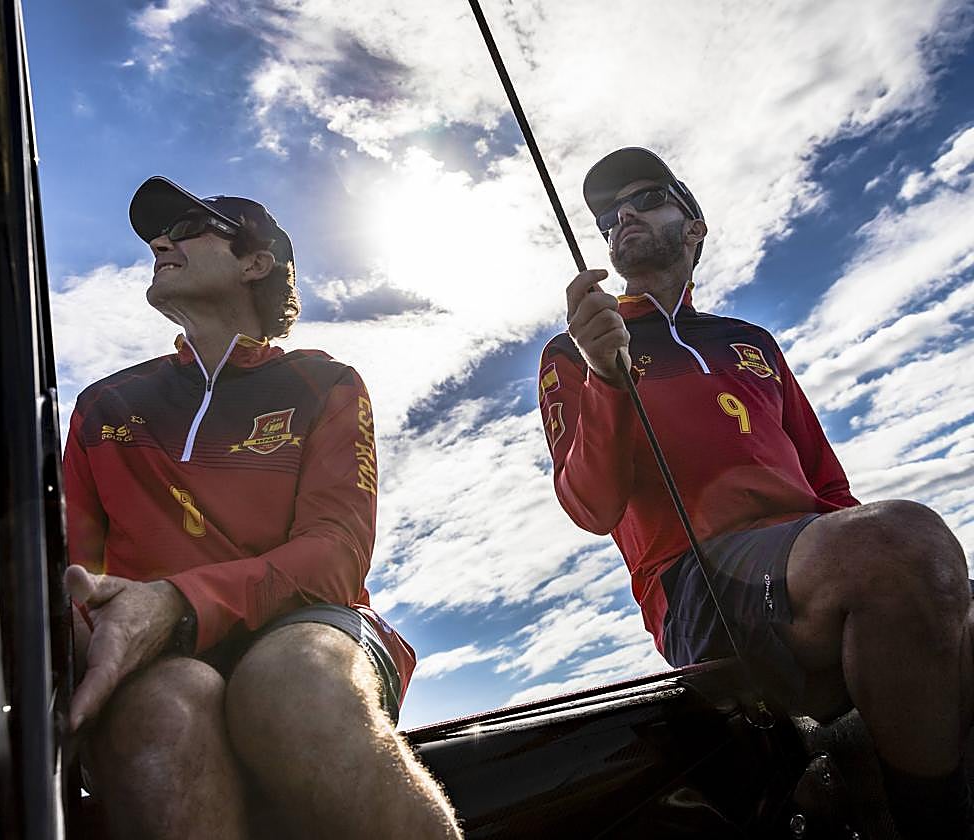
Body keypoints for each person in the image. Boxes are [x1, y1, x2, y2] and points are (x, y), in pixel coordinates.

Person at [538, 147, 973, 838]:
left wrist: (906, 580)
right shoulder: (574, 352)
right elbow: (591, 506)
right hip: (696, 586)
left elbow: (828, 485)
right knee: (904, 540)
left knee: (943, 586)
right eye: (609, 216)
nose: (623, 216)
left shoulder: (752, 342)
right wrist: (605, 377)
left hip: (815, 559)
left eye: (646, 198)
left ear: (694, 227)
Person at [62, 176, 461, 840]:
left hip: (307, 628)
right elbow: (77, 570)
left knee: (292, 684)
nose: (160, 243)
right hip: (151, 655)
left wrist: (178, 602)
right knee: (163, 712)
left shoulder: (325, 383)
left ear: (255, 262)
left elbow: (335, 555)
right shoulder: (102, 406)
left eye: (187, 229)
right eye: (158, 236)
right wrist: (90, 639)